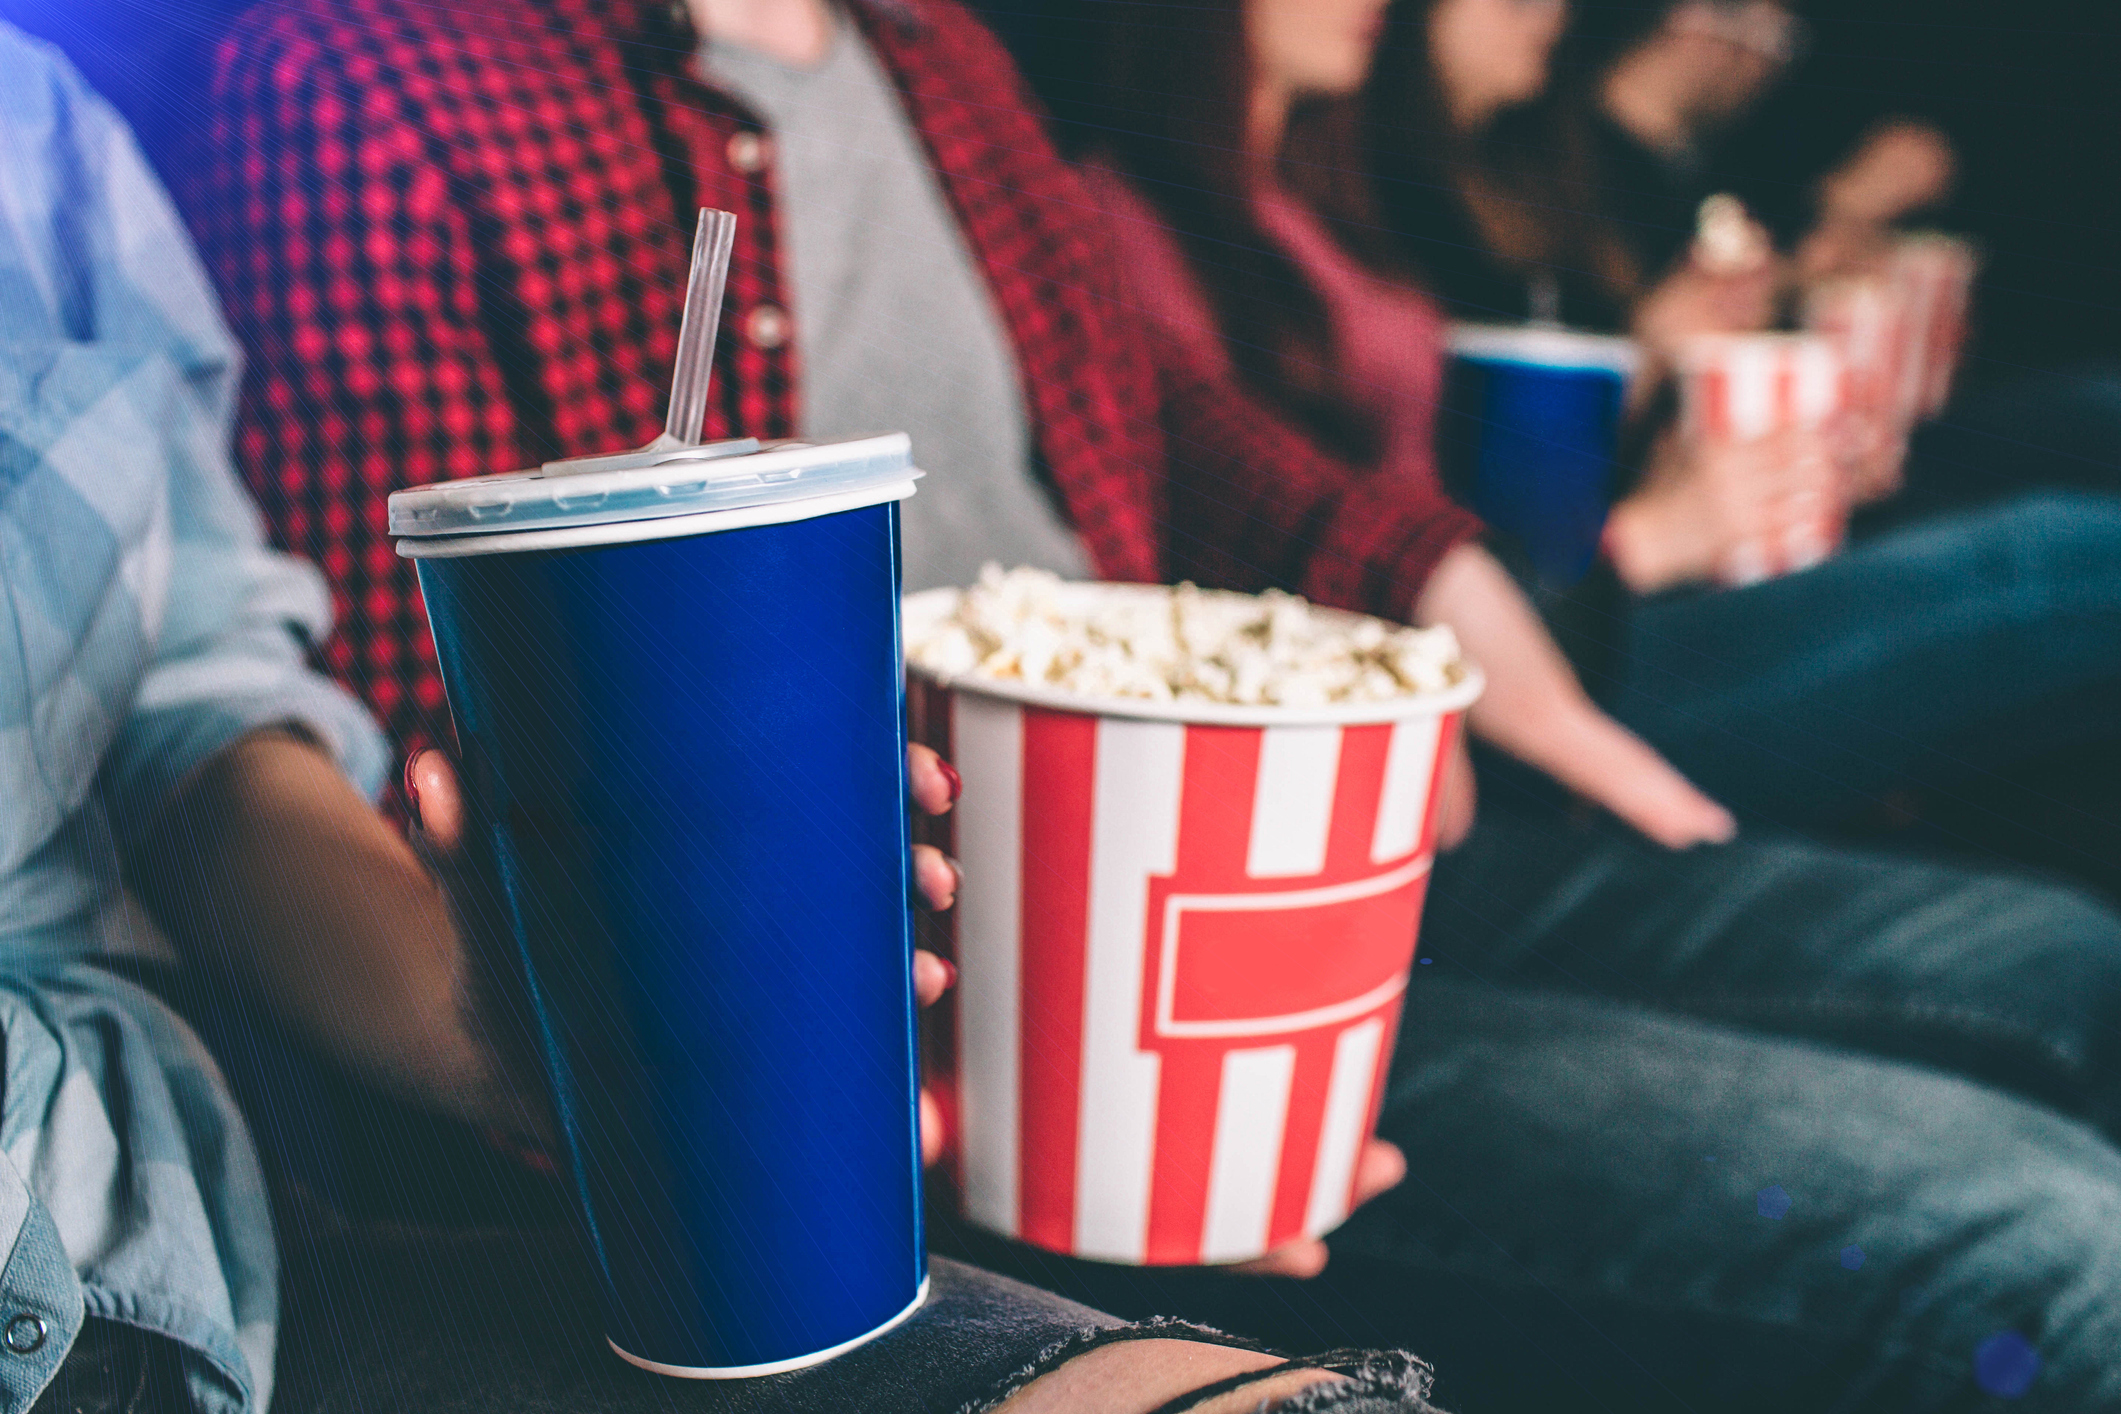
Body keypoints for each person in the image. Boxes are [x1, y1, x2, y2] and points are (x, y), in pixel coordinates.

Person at [0, 20, 1461, 1414]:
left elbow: (194, 720)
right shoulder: (365, 70)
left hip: (195, 1179)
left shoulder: (42, 127)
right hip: (209, 1214)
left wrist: (505, 1024)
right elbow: (457, 690)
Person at [992, 0, 2121, 1408]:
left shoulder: (1348, 194)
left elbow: (1399, 518)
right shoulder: (1107, 220)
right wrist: (1630, 537)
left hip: (1522, 653)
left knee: (2069, 934)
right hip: (1504, 682)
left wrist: (1637, 415)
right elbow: (1256, 578)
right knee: (2068, 558)